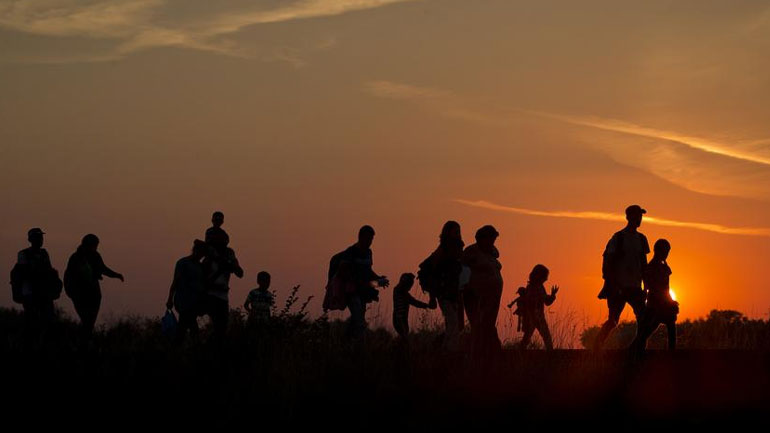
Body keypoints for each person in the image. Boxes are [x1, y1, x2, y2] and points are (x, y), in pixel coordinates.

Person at [594, 205, 650, 350]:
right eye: (636, 215)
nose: (639, 219)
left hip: (635, 287)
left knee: (644, 320)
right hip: (618, 287)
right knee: (613, 321)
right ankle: (596, 348)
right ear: (628, 217)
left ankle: (637, 352)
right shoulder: (618, 238)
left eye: (640, 216)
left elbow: (644, 266)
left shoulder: (642, 239)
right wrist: (613, 285)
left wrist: (646, 288)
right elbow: (608, 262)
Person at [326, 225, 389, 341]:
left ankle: (344, 342)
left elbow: (369, 271)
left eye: (372, 239)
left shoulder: (369, 253)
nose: (370, 242)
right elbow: (343, 270)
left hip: (363, 290)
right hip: (352, 290)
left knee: (357, 319)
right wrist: (355, 279)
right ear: (361, 237)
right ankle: (359, 346)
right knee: (359, 320)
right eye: (369, 239)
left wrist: (379, 279)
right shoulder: (351, 252)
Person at [64, 234, 124, 338]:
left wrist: (116, 275)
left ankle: (85, 340)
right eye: (94, 245)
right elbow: (70, 277)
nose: (95, 247)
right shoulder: (76, 258)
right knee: (86, 320)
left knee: (90, 321)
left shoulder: (95, 256)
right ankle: (82, 341)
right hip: (79, 294)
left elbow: (103, 269)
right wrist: (73, 292)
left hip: (93, 294)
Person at [418, 220, 465, 350]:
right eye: (455, 231)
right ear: (447, 232)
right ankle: (449, 351)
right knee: (453, 323)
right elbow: (430, 268)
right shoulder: (443, 249)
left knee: (456, 325)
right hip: (444, 292)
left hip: (455, 292)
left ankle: (443, 349)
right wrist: (433, 295)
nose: (457, 233)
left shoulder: (458, 249)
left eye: (458, 231)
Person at [631, 239, 679, 355]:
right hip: (655, 304)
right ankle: (632, 353)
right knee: (645, 333)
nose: (667, 254)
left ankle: (672, 356)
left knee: (669, 328)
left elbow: (666, 288)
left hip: (664, 304)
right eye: (665, 251)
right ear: (658, 251)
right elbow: (650, 287)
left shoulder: (663, 267)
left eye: (668, 251)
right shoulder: (651, 268)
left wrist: (670, 302)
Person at [462, 225, 504, 357]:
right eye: (490, 238)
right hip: (477, 296)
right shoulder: (471, 252)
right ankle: (476, 354)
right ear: (481, 238)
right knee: (479, 325)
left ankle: (488, 353)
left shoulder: (491, 254)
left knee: (488, 325)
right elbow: (462, 272)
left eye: (494, 239)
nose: (492, 241)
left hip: (492, 298)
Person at [11, 228, 60, 340]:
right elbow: (25, 272)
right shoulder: (23, 254)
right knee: (32, 321)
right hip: (29, 293)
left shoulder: (44, 253)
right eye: (37, 237)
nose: (40, 240)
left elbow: (49, 270)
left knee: (48, 320)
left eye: (41, 237)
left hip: (43, 293)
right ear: (31, 239)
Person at [202, 230, 243, 340]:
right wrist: (222, 268)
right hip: (211, 295)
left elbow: (240, 273)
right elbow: (204, 281)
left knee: (222, 328)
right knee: (217, 326)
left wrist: (232, 266)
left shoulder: (229, 255)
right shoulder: (208, 259)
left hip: (223, 296)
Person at [166, 239, 207, 343]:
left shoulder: (200, 267)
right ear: (195, 250)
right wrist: (170, 298)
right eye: (201, 252)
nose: (201, 256)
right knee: (189, 327)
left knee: (184, 327)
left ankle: (179, 349)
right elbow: (175, 282)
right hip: (183, 300)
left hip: (194, 302)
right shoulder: (183, 263)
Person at [509, 264, 558, 350]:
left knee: (544, 337)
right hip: (532, 317)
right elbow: (531, 300)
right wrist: (542, 297)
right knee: (532, 338)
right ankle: (520, 356)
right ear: (540, 275)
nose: (547, 278)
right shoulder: (531, 287)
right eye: (546, 275)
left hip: (539, 317)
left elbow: (546, 302)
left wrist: (553, 295)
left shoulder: (541, 287)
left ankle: (550, 356)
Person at [392, 273, 433, 343]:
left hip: (397, 318)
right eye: (410, 285)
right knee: (404, 336)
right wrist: (426, 305)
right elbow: (414, 302)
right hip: (401, 319)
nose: (410, 287)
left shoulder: (397, 290)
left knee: (403, 336)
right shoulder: (403, 293)